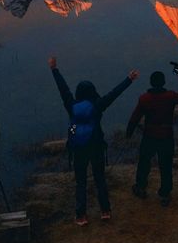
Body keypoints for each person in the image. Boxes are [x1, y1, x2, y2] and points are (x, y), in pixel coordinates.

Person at [49, 55, 139, 226]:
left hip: (78, 148)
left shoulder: (71, 105)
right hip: (96, 146)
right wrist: (129, 79)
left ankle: (81, 216)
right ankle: (105, 211)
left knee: (81, 182)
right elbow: (114, 94)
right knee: (100, 179)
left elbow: (63, 89)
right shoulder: (98, 105)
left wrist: (54, 69)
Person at [126, 65, 178, 206]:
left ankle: (141, 187)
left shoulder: (145, 98)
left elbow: (134, 118)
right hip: (166, 136)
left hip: (149, 136)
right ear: (163, 82)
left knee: (144, 163)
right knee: (166, 166)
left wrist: (128, 133)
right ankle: (165, 194)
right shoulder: (170, 96)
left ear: (151, 82)